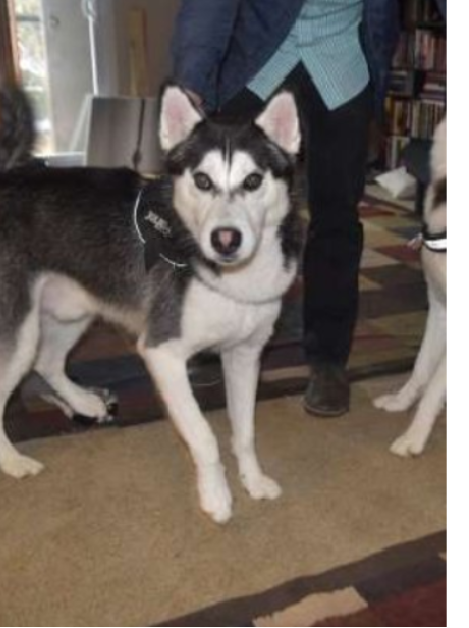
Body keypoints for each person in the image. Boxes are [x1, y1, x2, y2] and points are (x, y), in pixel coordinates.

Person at [172, 0, 401, 417]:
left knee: (337, 218)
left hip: (342, 66)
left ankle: (328, 361)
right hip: (258, 61)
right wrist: (193, 77)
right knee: (221, 204)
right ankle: (206, 341)